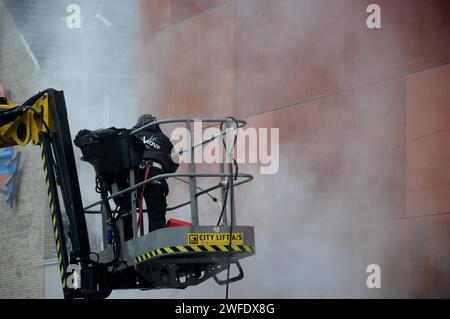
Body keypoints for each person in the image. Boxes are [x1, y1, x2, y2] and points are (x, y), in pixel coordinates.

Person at [131, 114, 178, 233]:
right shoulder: (164, 139)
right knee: (157, 211)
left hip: (133, 177)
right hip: (156, 177)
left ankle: (126, 238)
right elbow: (175, 162)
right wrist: (165, 170)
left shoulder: (132, 135)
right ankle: (156, 239)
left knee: (127, 208)